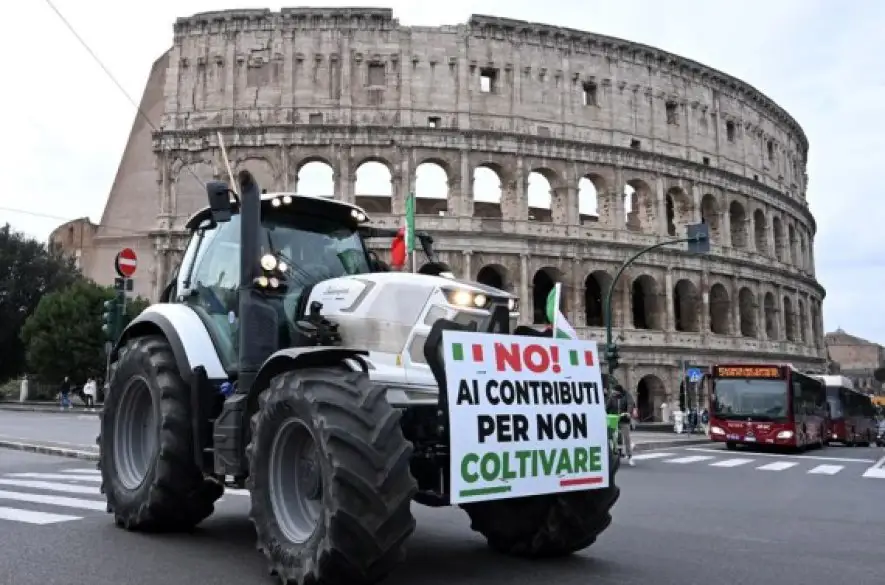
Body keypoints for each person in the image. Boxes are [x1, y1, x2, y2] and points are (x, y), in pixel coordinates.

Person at [606, 384, 638, 466]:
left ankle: (629, 456)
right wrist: (605, 413)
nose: (613, 393)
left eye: (614, 391)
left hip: (624, 419)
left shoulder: (627, 395)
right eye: (613, 392)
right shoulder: (612, 397)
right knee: (612, 437)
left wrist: (628, 412)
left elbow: (630, 404)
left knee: (626, 438)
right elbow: (607, 407)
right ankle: (614, 454)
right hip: (614, 420)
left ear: (619, 391)